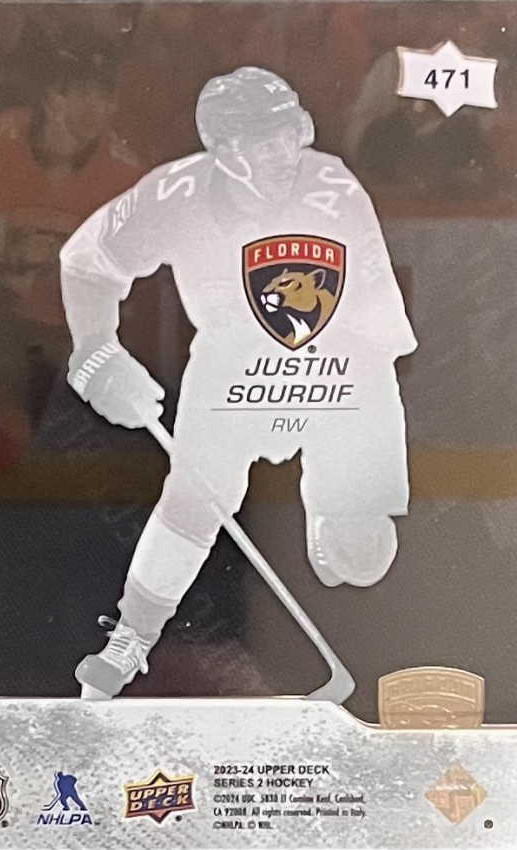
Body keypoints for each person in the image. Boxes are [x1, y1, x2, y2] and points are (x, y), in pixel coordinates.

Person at [60, 67, 417, 700]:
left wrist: (341, 468)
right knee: (195, 499)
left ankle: (336, 516)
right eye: (265, 142)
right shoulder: (174, 194)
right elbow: (87, 262)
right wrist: (96, 352)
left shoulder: (332, 187)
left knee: (360, 558)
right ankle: (131, 636)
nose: (287, 153)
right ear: (224, 152)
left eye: (290, 134)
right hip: (233, 364)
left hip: (339, 364)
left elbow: (374, 339)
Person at [0, 31, 144, 472]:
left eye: (103, 96)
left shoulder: (125, 175)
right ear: (51, 96)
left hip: (50, 326)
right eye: (78, 91)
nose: (93, 108)